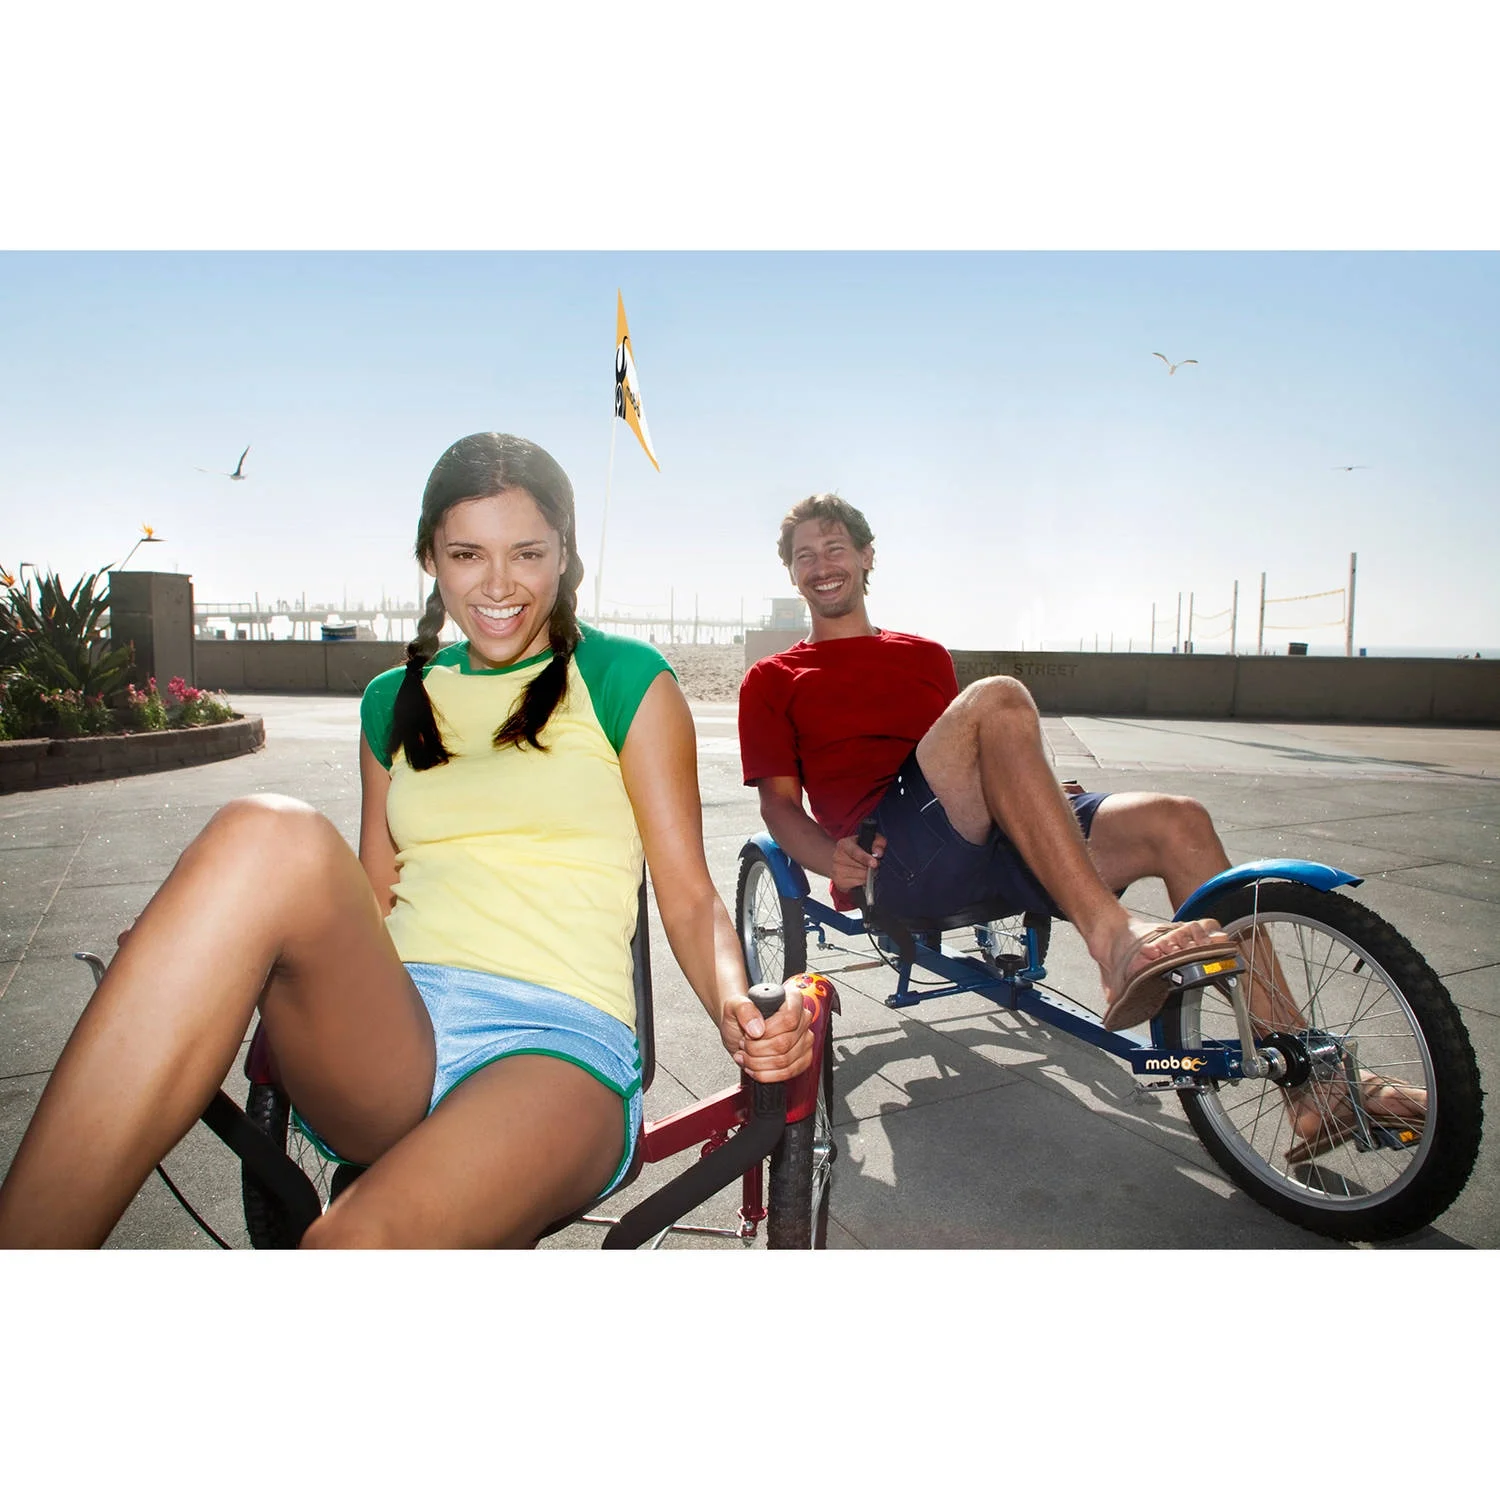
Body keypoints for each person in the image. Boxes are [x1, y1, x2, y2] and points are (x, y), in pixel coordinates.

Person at [0, 433, 811, 1249]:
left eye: (527, 554)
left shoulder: (624, 679)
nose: (499, 584)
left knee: (346, 1249)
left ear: (564, 556)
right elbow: (371, 895)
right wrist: (198, 937)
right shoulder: (392, 699)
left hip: (553, 1044)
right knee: (264, 830)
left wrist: (734, 1002)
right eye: (468, 554)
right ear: (430, 557)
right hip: (393, 1033)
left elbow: (689, 897)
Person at [738, 493, 1424, 1159]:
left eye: (835, 548)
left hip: (983, 836)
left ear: (866, 556)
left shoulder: (924, 656)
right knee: (998, 696)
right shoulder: (774, 677)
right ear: (791, 573)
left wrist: (1032, 789)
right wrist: (829, 859)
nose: (821, 565)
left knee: (1178, 820)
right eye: (805, 555)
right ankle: (1113, 941)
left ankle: (1314, 1085)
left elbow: (966, 753)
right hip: (893, 856)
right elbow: (778, 807)